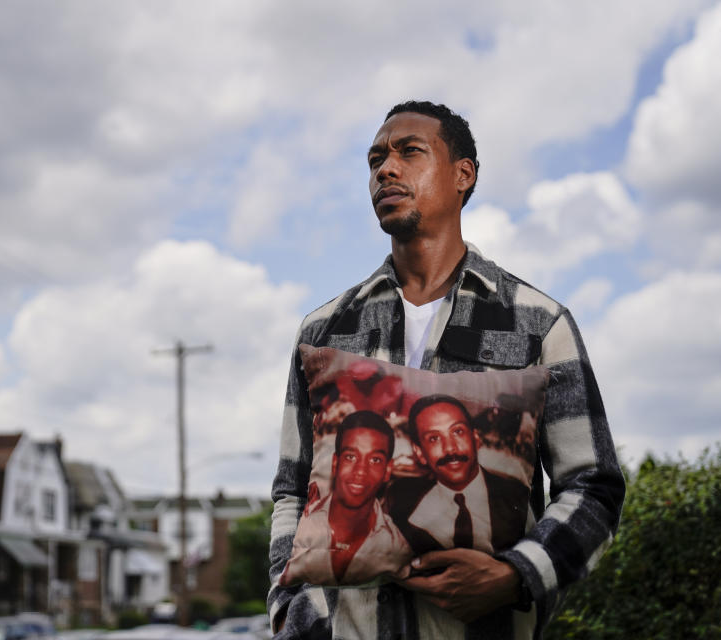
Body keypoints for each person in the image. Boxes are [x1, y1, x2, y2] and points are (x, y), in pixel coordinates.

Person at [267, 101, 625, 639]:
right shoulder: (322, 332)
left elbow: (593, 487)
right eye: (375, 160)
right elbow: (293, 492)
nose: (385, 169)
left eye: (410, 152)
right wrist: (294, 616)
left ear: (464, 175)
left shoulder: (538, 324)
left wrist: (516, 574)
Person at [384, 395, 529, 555]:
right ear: (420, 453)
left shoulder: (518, 498)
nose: (450, 449)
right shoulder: (398, 500)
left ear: (476, 439)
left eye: (458, 431)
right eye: (434, 438)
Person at [279, 410, 411, 586]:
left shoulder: (398, 545)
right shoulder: (306, 523)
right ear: (335, 463)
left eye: (375, 460)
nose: (361, 471)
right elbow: (287, 494)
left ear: (387, 470)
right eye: (351, 457)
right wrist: (280, 599)